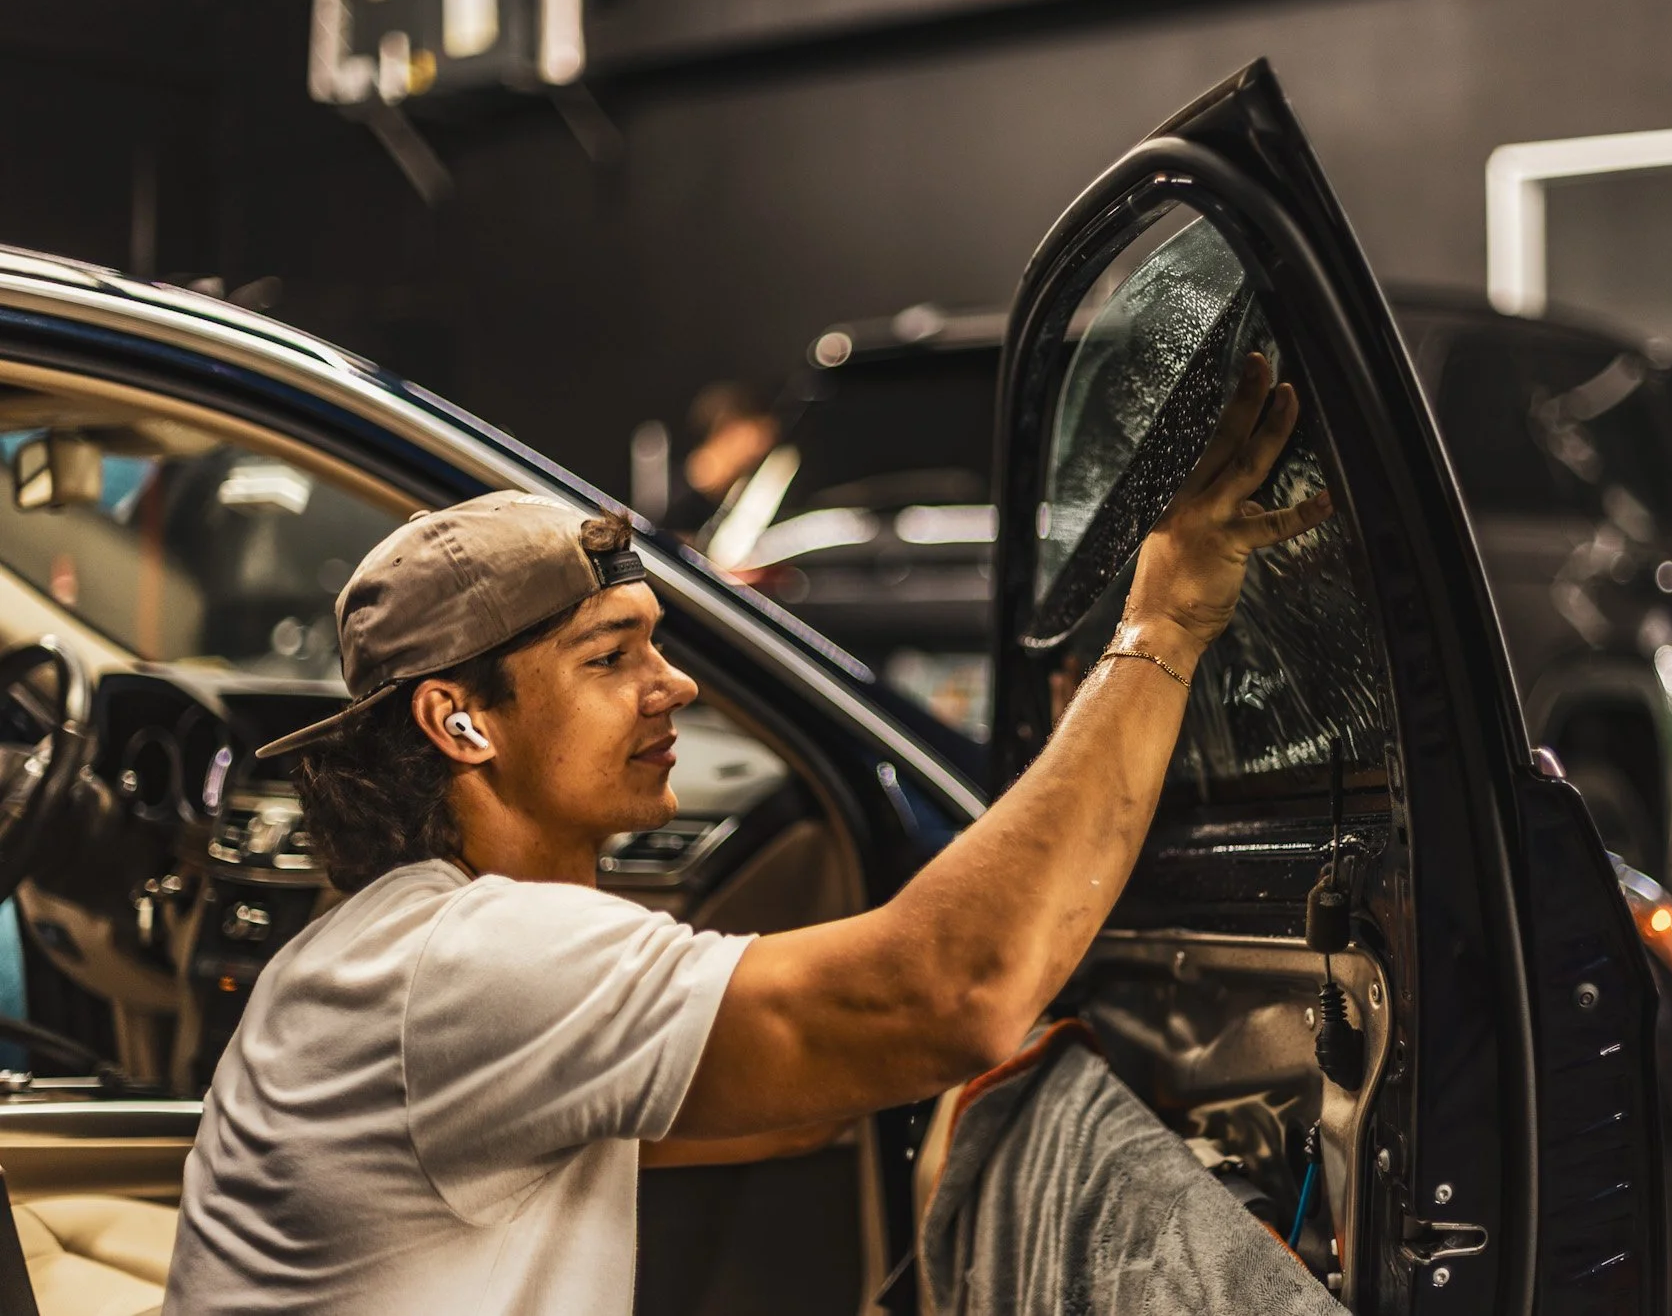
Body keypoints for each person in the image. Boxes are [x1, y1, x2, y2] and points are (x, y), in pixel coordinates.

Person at [161, 355, 1329, 1313]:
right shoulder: (473, 963)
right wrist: (1167, 616)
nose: (672, 688)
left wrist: (1078, 767)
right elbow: (945, 994)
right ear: (458, 720)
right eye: (609, 659)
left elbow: (802, 1103)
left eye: (654, 644)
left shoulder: (398, 949)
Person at [664, 380, 780, 538]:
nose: (759, 453)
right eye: (755, 440)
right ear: (727, 429)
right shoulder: (665, 493)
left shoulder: (735, 502)